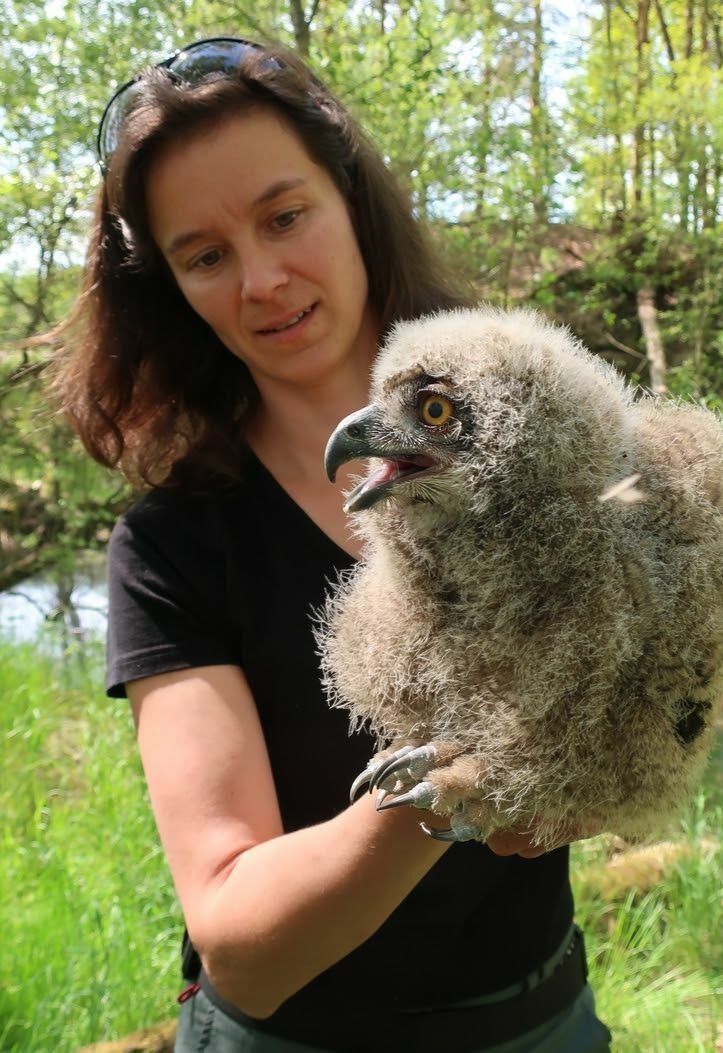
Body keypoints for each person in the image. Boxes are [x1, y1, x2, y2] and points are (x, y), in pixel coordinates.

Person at [54, 37, 612, 1052]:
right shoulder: (175, 547)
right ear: (170, 287)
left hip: (546, 1021)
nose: (262, 280)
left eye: (283, 215)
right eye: (206, 255)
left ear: (349, 196)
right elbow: (241, 947)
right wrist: (456, 788)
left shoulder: (534, 428)